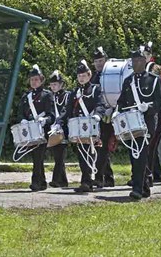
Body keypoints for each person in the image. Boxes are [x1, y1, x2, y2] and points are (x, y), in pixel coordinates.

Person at [114, 48, 161, 200]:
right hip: (130, 122)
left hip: (147, 122)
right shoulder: (128, 81)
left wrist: (148, 107)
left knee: (141, 155)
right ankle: (145, 187)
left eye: (139, 60)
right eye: (134, 61)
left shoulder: (154, 80)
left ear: (145, 61)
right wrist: (117, 111)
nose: (136, 63)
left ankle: (136, 188)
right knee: (134, 154)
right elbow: (122, 101)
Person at [55, 60, 105, 193]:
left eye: (84, 75)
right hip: (78, 128)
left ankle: (92, 179)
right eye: (79, 76)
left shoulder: (95, 89)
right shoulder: (75, 92)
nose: (81, 78)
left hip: (92, 125)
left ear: (89, 75)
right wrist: (59, 122)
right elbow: (67, 110)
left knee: (92, 153)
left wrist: (97, 115)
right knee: (82, 153)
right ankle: (86, 180)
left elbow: (100, 104)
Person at [17, 65, 55, 191]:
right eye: (32, 79)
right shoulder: (26, 96)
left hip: (42, 131)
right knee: (35, 156)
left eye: (36, 79)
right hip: (29, 130)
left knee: (38, 156)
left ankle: (36, 182)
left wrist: (45, 121)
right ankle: (42, 182)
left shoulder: (47, 95)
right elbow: (20, 113)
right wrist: (22, 120)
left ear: (41, 80)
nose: (34, 82)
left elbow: (51, 116)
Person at [142, 41, 161, 183]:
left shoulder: (157, 69)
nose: (143, 57)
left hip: (156, 112)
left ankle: (149, 175)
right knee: (146, 144)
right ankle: (156, 174)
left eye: (146, 54)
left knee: (151, 145)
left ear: (150, 55)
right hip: (142, 113)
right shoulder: (136, 70)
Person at [90, 47, 115, 187]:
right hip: (97, 116)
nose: (99, 63)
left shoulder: (111, 74)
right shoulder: (93, 76)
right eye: (96, 61)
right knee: (101, 147)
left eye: (101, 60)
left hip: (109, 115)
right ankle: (109, 177)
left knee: (103, 146)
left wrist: (113, 108)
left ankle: (99, 177)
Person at [48, 70, 70, 187]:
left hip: (63, 128)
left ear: (61, 84)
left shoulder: (67, 96)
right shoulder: (50, 96)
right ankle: (63, 180)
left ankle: (56, 180)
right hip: (53, 128)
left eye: (55, 84)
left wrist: (59, 122)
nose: (53, 87)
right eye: (51, 84)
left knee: (60, 154)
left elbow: (66, 111)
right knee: (57, 154)